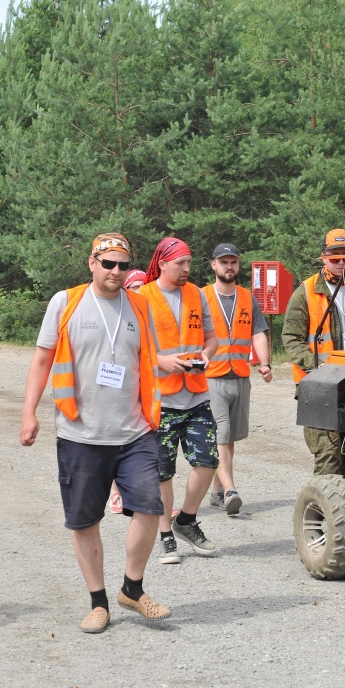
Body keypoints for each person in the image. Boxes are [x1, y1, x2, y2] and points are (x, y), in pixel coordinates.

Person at [20, 232, 171, 633]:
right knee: (85, 520)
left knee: (151, 507)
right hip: (80, 433)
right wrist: (28, 413)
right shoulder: (66, 303)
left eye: (123, 265)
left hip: (135, 431)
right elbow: (41, 361)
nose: (116, 272)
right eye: (108, 264)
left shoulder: (139, 306)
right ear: (92, 263)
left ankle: (132, 589)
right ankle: (98, 601)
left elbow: (151, 360)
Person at [139, 237, 220, 563]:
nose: (187, 269)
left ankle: (186, 519)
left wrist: (206, 354)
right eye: (180, 263)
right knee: (163, 473)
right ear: (162, 263)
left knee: (208, 462)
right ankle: (165, 534)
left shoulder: (196, 294)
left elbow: (212, 338)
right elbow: (134, 347)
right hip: (162, 400)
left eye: (189, 263)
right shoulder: (141, 298)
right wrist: (161, 361)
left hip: (196, 394)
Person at [281, 229, 345, 477]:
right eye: (335, 258)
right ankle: (324, 512)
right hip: (320, 388)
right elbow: (291, 339)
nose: (342, 263)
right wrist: (319, 366)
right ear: (323, 257)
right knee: (329, 457)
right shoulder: (306, 292)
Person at [202, 243, 273, 515]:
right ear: (213, 265)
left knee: (228, 437)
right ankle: (231, 488)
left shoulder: (247, 297)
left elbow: (258, 333)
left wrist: (265, 363)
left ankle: (217, 492)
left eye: (233, 262)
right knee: (220, 435)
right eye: (223, 262)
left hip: (240, 376)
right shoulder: (201, 296)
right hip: (211, 378)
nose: (228, 266)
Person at [108, 268, 150, 515]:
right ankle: (115, 493)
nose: (140, 291)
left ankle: (147, 493)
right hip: (115, 384)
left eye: (144, 287)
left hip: (142, 384)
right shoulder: (116, 312)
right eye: (136, 287)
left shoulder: (147, 313)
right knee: (116, 438)